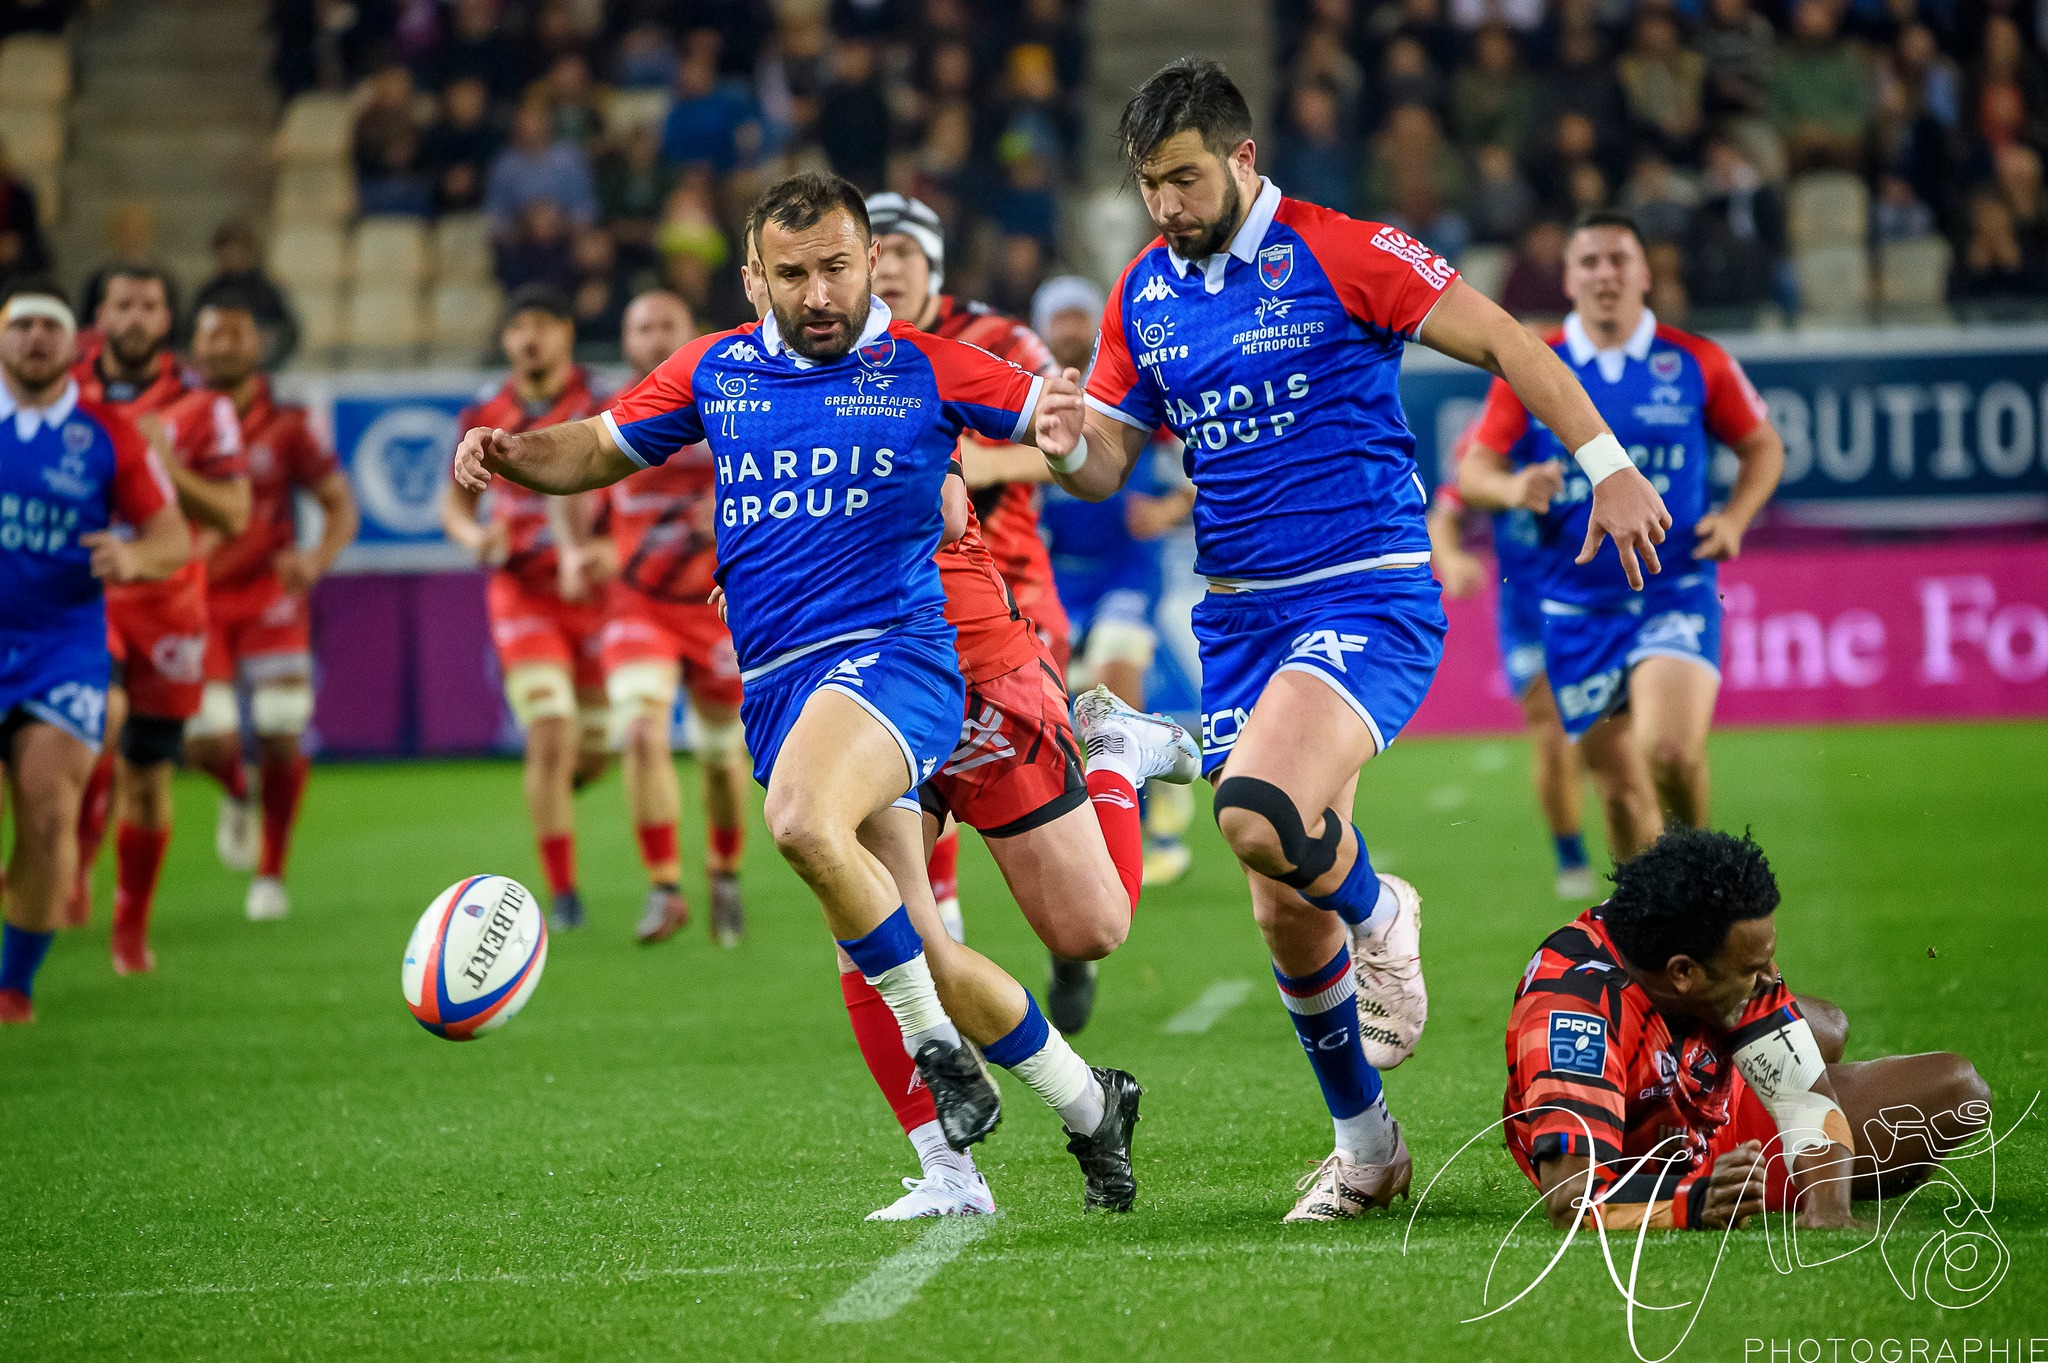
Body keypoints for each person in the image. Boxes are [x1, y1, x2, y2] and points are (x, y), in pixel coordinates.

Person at [453, 171, 1146, 1215]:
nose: (819, 293)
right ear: (752, 279)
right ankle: (1091, 1104)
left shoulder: (927, 364)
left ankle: (939, 1059)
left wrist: (1067, 440)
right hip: (780, 686)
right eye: (793, 274)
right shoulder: (714, 371)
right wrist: (511, 455)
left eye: (835, 267)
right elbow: (593, 447)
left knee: (797, 820)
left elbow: (1090, 466)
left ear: (872, 264)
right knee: (925, 941)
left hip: (897, 659)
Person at [1063, 59, 1671, 1221]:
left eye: (1184, 179)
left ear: (1242, 160)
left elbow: (1506, 342)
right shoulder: (1141, 290)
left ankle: (1383, 908)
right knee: (1280, 900)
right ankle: (1369, 1147)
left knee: (1255, 811)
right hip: (1239, 614)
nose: (1165, 206)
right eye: (1148, 185)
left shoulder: (1348, 251)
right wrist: (1057, 441)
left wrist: (1607, 465)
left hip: (1364, 594)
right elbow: (1102, 463)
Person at [733, 226, 1195, 1217]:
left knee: (1092, 926)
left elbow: (1017, 467)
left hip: (979, 657)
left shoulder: (960, 358)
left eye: (861, 271)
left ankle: (1111, 753)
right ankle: (972, 1158)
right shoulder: (754, 383)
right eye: (807, 276)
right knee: (886, 928)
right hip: (864, 683)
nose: (836, 293)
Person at [1458, 211, 1784, 860]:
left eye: (1618, 260)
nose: (1605, 273)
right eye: (1590, 262)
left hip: (1675, 590)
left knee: (1667, 752)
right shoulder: (1535, 365)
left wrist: (1736, 518)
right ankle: (1650, 929)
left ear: (1645, 274)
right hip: (1576, 609)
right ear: (1570, 278)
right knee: (1619, 791)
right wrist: (1512, 489)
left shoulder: (1696, 362)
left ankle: (1701, 873)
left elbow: (1762, 446)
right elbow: (1472, 471)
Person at [1505, 827, 1992, 1230]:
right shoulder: (1575, 1015)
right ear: (1682, 973)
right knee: (1828, 1035)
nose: (1769, 977)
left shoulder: (1705, 947)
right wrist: (1695, 1200)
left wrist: (1828, 1209)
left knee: (1959, 1091)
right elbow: (1571, 1197)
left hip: (1725, 1118)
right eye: (1755, 968)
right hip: (1643, 1162)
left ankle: (1763, 1100)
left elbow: (1802, 1096)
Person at [863, 192, 1088, 1008]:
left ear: (934, 268)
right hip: (910, 602)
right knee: (910, 784)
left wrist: (976, 467)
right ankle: (941, 957)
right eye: (874, 256)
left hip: (1014, 586)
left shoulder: (997, 338)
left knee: (1038, 786)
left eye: (904, 258)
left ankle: (1071, 939)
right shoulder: (851, 355)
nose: (887, 271)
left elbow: (1070, 441)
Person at [0, 290, 189, 1022]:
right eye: (21, 326)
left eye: (49, 326)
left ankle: (14, 988)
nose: (35, 339)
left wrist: (134, 554)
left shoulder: (108, 434)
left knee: (47, 811)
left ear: (71, 343)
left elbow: (173, 536)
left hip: (61, 649)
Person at [74, 268, 250, 973]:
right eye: (123, 304)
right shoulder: (66, 392)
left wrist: (166, 464)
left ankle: (129, 928)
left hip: (171, 604)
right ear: (99, 316)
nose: (136, 317)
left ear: (167, 317)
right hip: (84, 596)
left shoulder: (204, 406)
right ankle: (74, 853)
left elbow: (234, 513)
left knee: (147, 777)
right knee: (98, 717)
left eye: (150, 304)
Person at [180, 296, 358, 921]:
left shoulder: (287, 422)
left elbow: (340, 502)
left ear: (257, 345)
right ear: (195, 347)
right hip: (193, 595)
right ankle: (236, 790)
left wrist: (315, 560)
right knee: (205, 742)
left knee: (282, 730)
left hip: (272, 596)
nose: (225, 343)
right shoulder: (175, 418)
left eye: (237, 330)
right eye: (214, 334)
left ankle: (272, 874)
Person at [583, 290, 751, 946]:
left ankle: (726, 870)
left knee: (718, 757)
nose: (653, 337)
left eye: (666, 326)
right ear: (625, 340)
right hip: (638, 603)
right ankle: (663, 886)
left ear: (693, 332)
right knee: (644, 730)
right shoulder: (611, 412)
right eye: (641, 326)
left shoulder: (729, 402)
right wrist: (581, 547)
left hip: (715, 607)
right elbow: (577, 487)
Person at [442, 285, 611, 931]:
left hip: (592, 597)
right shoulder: (484, 412)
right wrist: (475, 536)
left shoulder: (600, 405)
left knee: (592, 755)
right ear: (508, 340)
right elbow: (454, 507)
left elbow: (633, 488)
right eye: (519, 326)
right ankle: (563, 894)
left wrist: (604, 552)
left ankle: (550, 803)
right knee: (550, 730)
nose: (530, 337)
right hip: (522, 593)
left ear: (567, 331)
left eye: (543, 322)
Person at [1032, 274, 1199, 888]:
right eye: (1061, 318)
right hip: (1064, 576)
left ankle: (1152, 834)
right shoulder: (1028, 394)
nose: (1072, 328)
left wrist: (1170, 509)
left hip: (1129, 566)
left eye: (1081, 316)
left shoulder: (1124, 387)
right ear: (1045, 326)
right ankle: (1153, 762)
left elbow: (1206, 452)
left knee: (1113, 674)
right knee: (1077, 705)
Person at [1432, 425, 1594, 900]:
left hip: (1598, 603)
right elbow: (1446, 511)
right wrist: (1451, 558)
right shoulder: (1491, 435)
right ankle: (1572, 858)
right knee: (1550, 730)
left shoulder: (1593, 415)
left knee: (1609, 745)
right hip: (1528, 611)